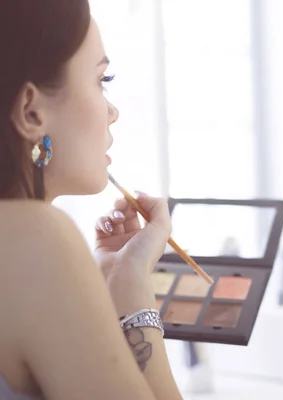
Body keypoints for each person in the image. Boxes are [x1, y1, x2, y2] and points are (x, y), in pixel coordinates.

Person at [0, 1, 184, 399]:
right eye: (103, 79)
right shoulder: (35, 238)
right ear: (31, 113)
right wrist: (131, 285)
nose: (113, 112)